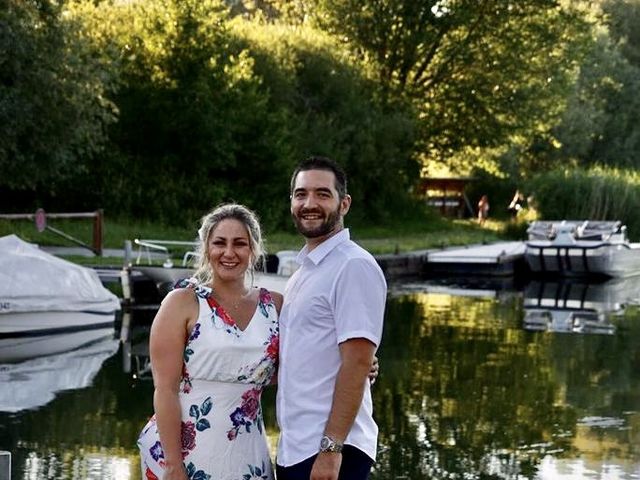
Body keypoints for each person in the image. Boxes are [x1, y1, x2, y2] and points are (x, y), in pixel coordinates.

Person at [137, 203, 282, 480]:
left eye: (240, 243)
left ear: (253, 250)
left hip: (248, 453)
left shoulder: (274, 305)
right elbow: (164, 390)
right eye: (220, 243)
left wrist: (358, 364)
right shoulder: (182, 303)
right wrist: (173, 465)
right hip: (187, 453)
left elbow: (295, 368)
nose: (229, 253)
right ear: (206, 249)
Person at [276, 156, 387, 480]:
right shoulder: (303, 274)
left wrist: (331, 449)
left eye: (322, 194)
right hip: (296, 447)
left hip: (332, 451)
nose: (310, 203)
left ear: (344, 203)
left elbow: (356, 362)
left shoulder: (353, 266)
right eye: (301, 194)